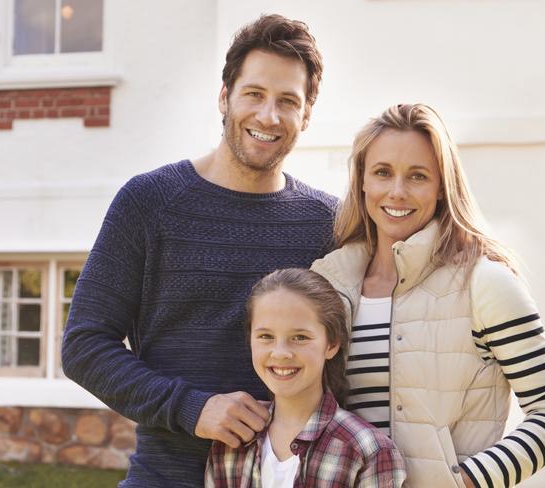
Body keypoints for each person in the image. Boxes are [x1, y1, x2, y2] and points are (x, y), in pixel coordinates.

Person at [62, 14, 338, 488]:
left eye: (287, 101)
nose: (268, 116)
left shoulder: (329, 223)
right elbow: (84, 345)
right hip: (166, 477)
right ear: (224, 97)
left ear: (306, 116)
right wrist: (193, 409)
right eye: (254, 94)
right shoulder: (148, 202)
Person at [311, 103, 545, 487]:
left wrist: (467, 480)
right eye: (383, 173)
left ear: (442, 187)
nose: (397, 191)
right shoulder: (327, 284)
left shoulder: (485, 283)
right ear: (362, 182)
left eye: (418, 176)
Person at [205, 268, 407, 487]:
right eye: (266, 336)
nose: (280, 352)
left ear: (331, 345)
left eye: (300, 337)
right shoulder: (230, 445)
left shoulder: (367, 451)